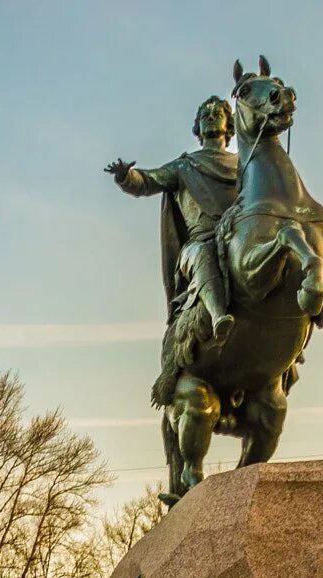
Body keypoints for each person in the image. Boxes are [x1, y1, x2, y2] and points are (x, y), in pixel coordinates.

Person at [104, 96, 239, 406]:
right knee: (203, 254)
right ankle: (219, 316)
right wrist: (126, 176)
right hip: (199, 241)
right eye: (204, 114)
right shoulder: (184, 167)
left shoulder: (244, 165)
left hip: (236, 238)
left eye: (216, 113)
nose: (209, 117)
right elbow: (147, 182)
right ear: (197, 125)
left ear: (228, 124)